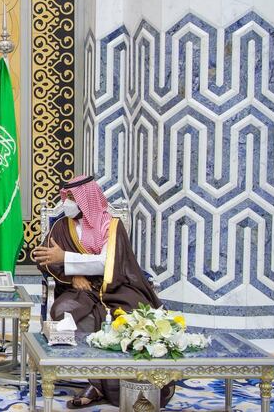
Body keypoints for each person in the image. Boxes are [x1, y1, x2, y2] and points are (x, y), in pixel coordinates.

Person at [32, 175, 173, 409]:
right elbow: (44, 258)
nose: (66, 202)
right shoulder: (60, 226)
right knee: (65, 311)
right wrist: (72, 274)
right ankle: (96, 382)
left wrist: (66, 258)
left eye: (72, 198)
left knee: (133, 317)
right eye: (65, 197)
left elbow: (106, 262)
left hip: (117, 287)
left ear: (86, 199)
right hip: (80, 290)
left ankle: (125, 381)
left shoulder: (111, 226)